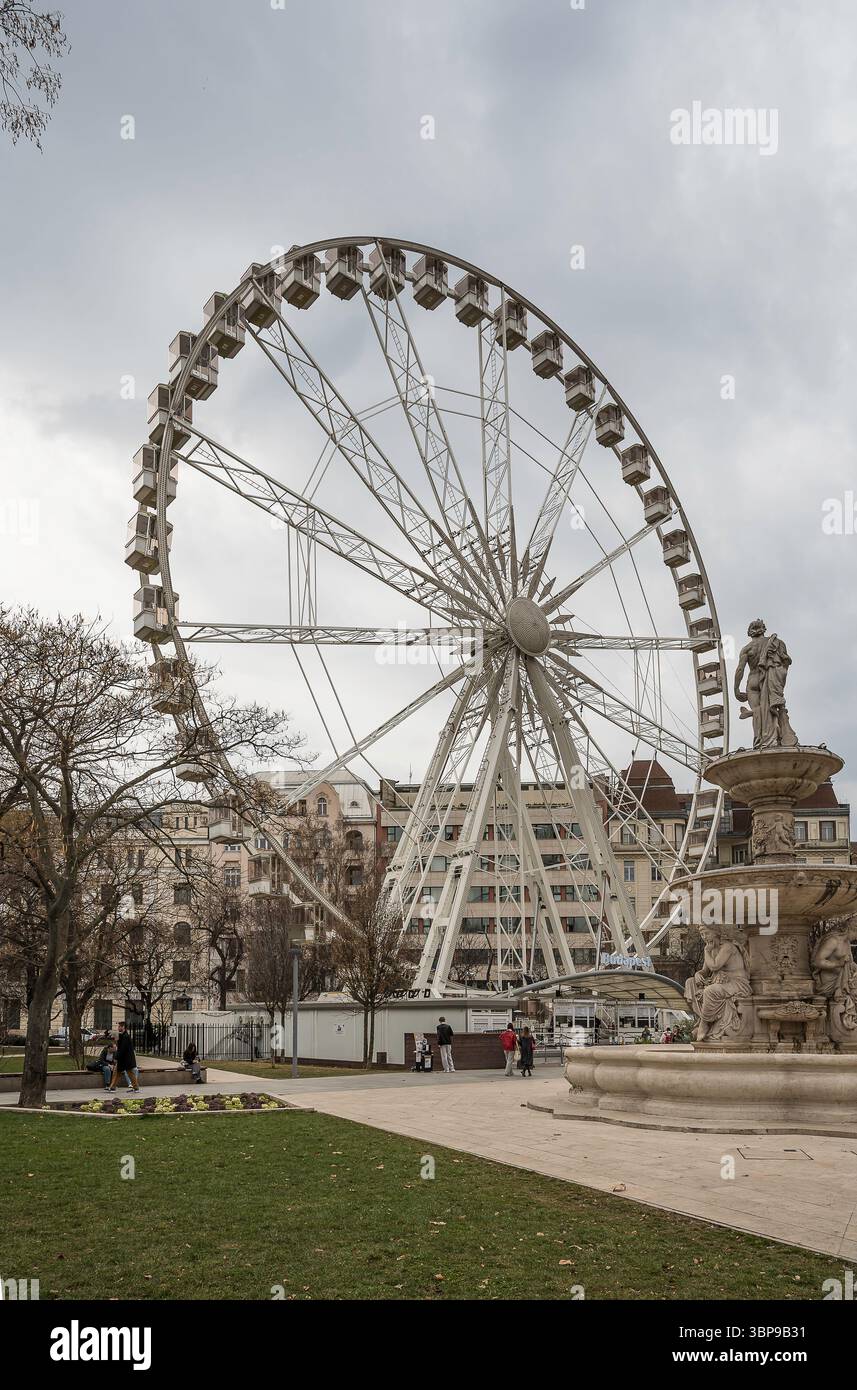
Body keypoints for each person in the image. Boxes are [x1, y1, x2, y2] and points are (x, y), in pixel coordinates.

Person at [109, 1021, 140, 1092]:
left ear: (123, 1027)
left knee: (120, 1072)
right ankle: (135, 1088)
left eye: (119, 1026)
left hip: (125, 1059)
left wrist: (116, 1058)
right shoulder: (124, 1035)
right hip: (126, 1059)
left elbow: (122, 1049)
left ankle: (113, 1088)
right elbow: (120, 1042)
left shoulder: (125, 1036)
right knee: (121, 1072)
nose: (118, 1028)